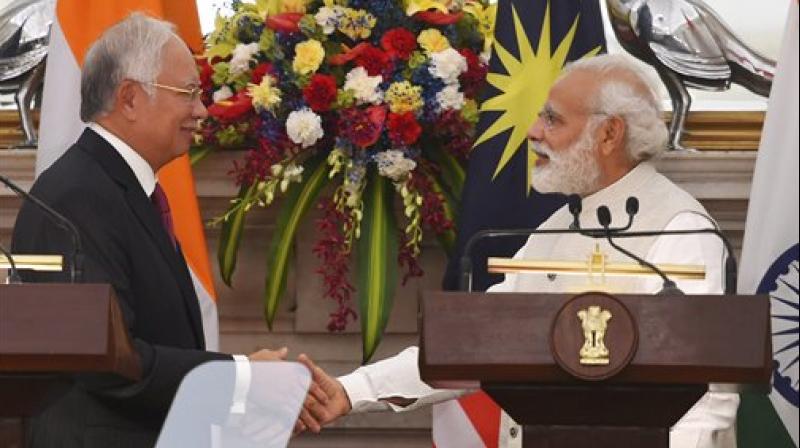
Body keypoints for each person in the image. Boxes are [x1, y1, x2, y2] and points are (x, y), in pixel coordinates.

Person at [296, 54, 740, 447]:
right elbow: (476, 342)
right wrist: (352, 391)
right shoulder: (560, 225)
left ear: (609, 134)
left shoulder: (681, 228)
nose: (532, 132)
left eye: (552, 119)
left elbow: (703, 399)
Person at [11, 13, 318, 447]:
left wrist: (245, 392)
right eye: (188, 94)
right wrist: (242, 378)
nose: (201, 110)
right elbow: (105, 362)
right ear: (130, 99)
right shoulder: (75, 195)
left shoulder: (125, 188)